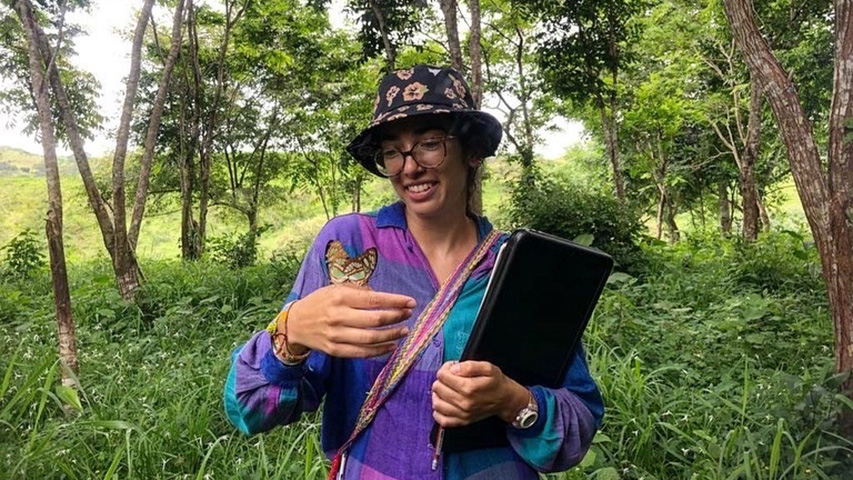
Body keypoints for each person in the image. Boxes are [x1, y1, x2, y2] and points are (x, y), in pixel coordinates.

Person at [224, 64, 603, 480]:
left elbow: (577, 423)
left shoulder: (523, 269)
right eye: (392, 151)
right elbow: (250, 406)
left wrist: (510, 401)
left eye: (429, 144)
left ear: (472, 151)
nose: (409, 167)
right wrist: (291, 334)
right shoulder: (349, 245)